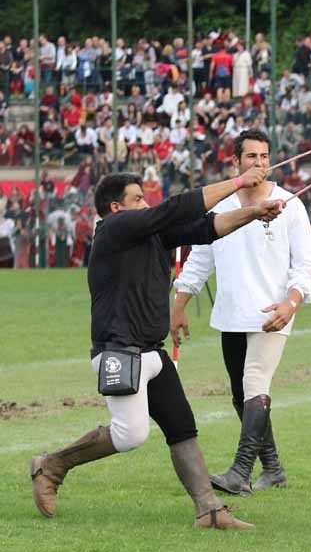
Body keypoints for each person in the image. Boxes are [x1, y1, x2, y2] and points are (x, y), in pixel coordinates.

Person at [30, 165, 282, 529]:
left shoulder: (152, 235)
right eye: (138, 199)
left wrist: (254, 213)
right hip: (118, 351)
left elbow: (206, 228)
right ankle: (51, 465)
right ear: (116, 208)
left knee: (182, 427)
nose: (146, 204)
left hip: (151, 350)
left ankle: (208, 511)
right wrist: (240, 182)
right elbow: (178, 208)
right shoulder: (114, 229)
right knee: (131, 435)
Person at [171, 131, 311, 496]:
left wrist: (292, 303)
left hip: (273, 313)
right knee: (241, 395)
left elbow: (305, 265)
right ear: (235, 162)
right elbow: (200, 260)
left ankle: (240, 472)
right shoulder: (220, 208)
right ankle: (274, 469)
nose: (259, 163)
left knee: (255, 385)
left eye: (264, 156)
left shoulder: (290, 205)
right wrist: (178, 307)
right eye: (251, 156)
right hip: (231, 314)